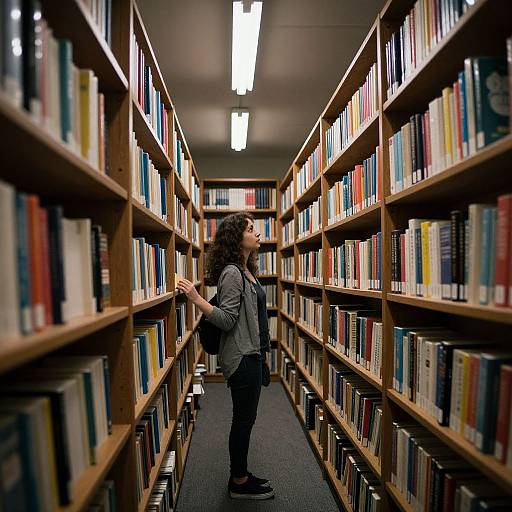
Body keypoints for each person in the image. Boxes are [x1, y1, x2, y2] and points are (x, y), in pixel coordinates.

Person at [177, 212, 275, 500]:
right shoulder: (232, 272)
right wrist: (196, 299)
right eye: (251, 229)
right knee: (243, 421)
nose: (257, 233)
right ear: (236, 238)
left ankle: (241, 474)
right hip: (242, 358)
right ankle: (239, 482)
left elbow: (257, 317)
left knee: (247, 419)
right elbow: (227, 319)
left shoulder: (247, 271)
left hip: (253, 354)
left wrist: (265, 350)